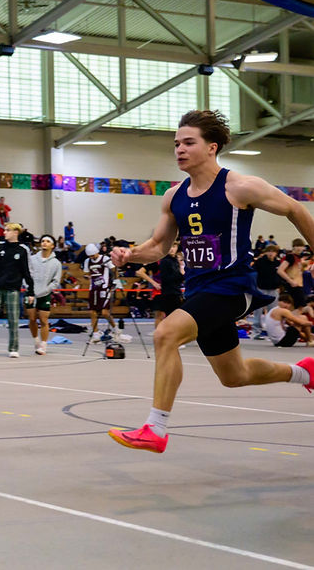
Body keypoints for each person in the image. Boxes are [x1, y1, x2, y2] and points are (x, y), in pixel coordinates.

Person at [108, 110, 314, 454]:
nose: (180, 149)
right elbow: (157, 246)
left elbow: (296, 209)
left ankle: (155, 428)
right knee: (234, 376)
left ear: (211, 147)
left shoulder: (240, 186)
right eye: (177, 143)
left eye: (189, 142)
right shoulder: (174, 196)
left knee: (165, 333)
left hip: (234, 287)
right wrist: (130, 255)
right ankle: (304, 373)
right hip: (200, 292)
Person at [0, 222, 35, 357]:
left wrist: (31, 291)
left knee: (13, 320)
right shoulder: (0, 247)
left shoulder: (22, 250)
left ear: (16, 232)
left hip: (13, 289)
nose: (4, 232)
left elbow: (26, 271)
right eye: (4, 230)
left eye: (7, 230)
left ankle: (13, 348)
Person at [136, 241, 185, 328]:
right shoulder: (157, 262)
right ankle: (158, 332)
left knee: (171, 315)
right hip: (159, 292)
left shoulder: (174, 261)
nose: (172, 249)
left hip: (171, 290)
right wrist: (154, 283)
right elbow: (139, 272)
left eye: (174, 247)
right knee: (160, 315)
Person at [28, 234, 61, 355]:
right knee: (32, 319)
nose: (44, 243)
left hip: (45, 294)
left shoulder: (56, 263)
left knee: (43, 320)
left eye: (47, 241)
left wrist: (46, 290)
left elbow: (56, 281)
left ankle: (44, 344)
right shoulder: (32, 259)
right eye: (43, 241)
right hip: (31, 293)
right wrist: (29, 289)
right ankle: (36, 340)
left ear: (52, 245)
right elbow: (26, 274)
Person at [83, 242, 119, 343]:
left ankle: (115, 328)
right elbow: (86, 273)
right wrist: (87, 277)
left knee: (104, 312)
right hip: (93, 289)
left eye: (93, 255)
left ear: (97, 252)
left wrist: (116, 281)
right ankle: (95, 333)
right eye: (90, 256)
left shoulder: (105, 259)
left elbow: (114, 270)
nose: (92, 257)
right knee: (92, 312)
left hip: (104, 288)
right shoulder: (87, 261)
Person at [251, 244, 281, 336]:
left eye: (273, 251)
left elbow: (280, 276)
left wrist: (279, 286)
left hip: (273, 289)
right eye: (269, 251)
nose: (271, 253)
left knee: (273, 311)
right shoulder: (260, 262)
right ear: (266, 252)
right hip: (260, 289)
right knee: (258, 311)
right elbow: (253, 273)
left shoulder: (278, 263)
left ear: (276, 253)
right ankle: (256, 331)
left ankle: (272, 331)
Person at [278, 238, 309, 309]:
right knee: (299, 308)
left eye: (301, 246)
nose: (299, 248)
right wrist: (290, 281)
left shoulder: (299, 258)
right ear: (293, 247)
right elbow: (280, 270)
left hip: (299, 285)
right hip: (293, 286)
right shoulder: (291, 257)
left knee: (300, 308)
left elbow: (297, 271)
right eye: (297, 246)